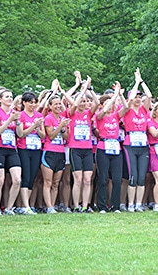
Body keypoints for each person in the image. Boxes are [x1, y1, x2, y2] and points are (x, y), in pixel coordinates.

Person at [95, 83, 129, 213]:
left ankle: (115, 205)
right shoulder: (99, 116)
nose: (111, 106)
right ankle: (102, 206)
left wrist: (120, 94)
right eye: (108, 103)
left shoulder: (115, 116)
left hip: (116, 148)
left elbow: (126, 107)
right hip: (103, 148)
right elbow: (104, 111)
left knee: (117, 179)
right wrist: (113, 96)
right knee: (103, 178)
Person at [67, 74, 99, 212]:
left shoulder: (88, 114)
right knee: (78, 179)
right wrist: (82, 88)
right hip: (75, 148)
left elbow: (97, 103)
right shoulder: (72, 113)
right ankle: (76, 205)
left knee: (87, 179)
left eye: (85, 101)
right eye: (81, 100)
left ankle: (85, 206)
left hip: (87, 149)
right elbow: (74, 104)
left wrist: (89, 89)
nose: (83, 103)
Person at [123, 68, 153, 212]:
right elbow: (128, 101)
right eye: (136, 96)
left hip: (143, 144)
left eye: (139, 97)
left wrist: (141, 81)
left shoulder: (143, 110)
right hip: (130, 145)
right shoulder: (128, 110)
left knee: (142, 176)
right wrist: (135, 83)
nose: (138, 98)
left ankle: (139, 204)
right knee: (133, 176)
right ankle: (130, 204)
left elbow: (149, 95)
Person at [0, 89, 22, 215]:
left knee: (17, 180)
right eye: (7, 96)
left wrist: (17, 121)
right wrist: (10, 120)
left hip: (12, 148)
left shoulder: (15, 113)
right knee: (0, 180)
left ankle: (9, 208)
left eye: (11, 96)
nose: (10, 98)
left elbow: (19, 134)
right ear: (0, 99)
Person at [16, 91, 46, 214]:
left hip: (36, 149)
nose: (33, 105)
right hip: (24, 149)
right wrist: (33, 126)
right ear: (24, 102)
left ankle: (26, 205)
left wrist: (38, 128)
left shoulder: (39, 116)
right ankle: (25, 205)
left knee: (33, 176)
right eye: (30, 102)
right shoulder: (21, 115)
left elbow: (43, 135)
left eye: (35, 102)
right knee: (26, 176)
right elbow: (21, 134)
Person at [41, 94, 70, 213]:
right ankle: (49, 206)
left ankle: (52, 206)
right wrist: (59, 127)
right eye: (56, 104)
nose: (58, 106)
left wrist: (63, 128)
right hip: (49, 151)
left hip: (60, 151)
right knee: (48, 181)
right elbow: (51, 136)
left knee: (56, 182)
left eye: (59, 104)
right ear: (50, 106)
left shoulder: (63, 118)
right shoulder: (48, 118)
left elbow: (67, 137)